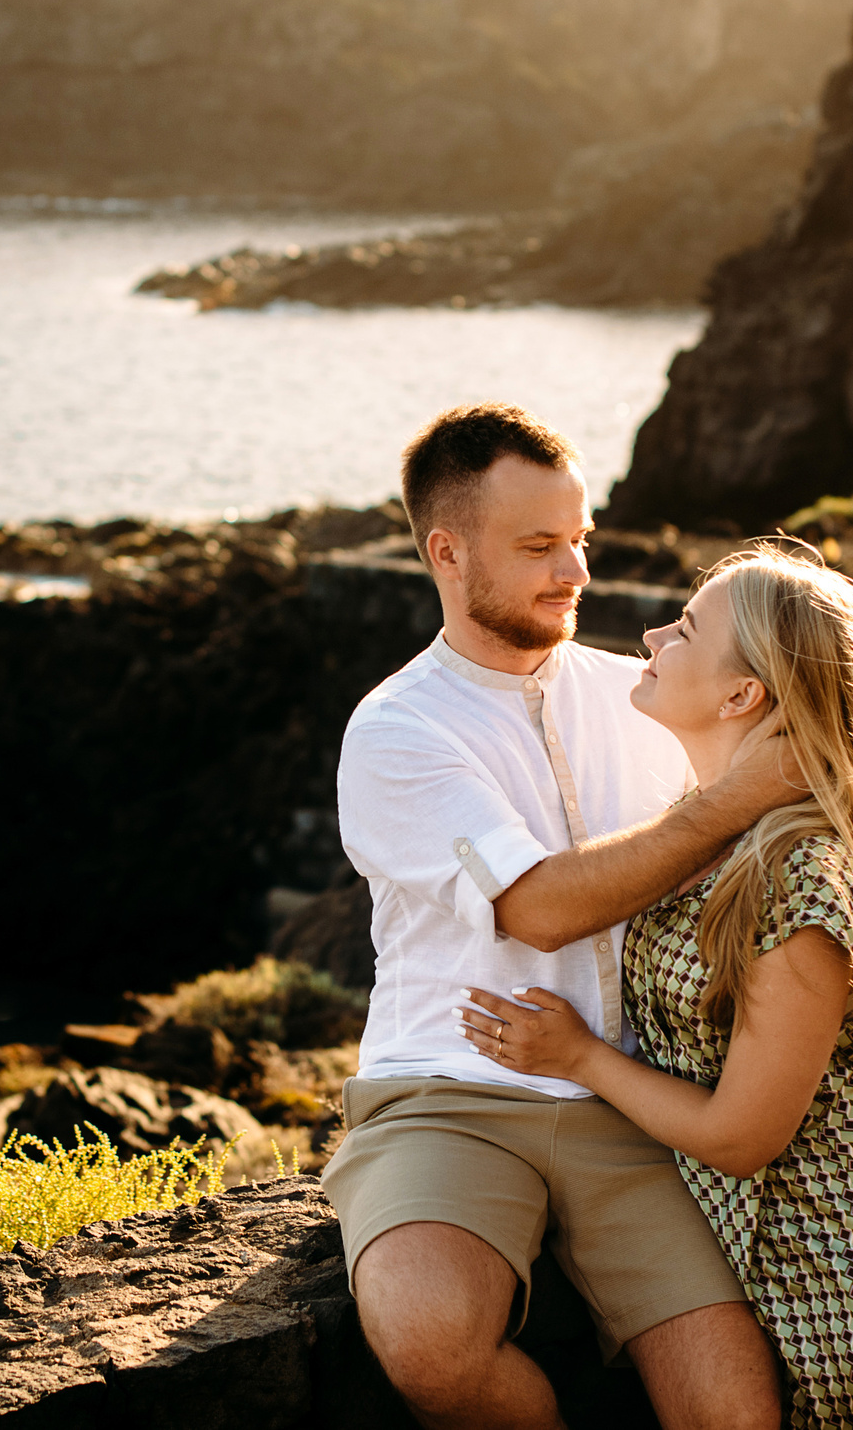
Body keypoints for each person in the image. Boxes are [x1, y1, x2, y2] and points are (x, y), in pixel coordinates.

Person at [324, 402, 822, 1430]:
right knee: (430, 1342)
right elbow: (538, 909)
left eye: (579, 540)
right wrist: (729, 798)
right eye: (540, 546)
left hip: (640, 1097)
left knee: (735, 1415)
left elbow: (791, 866)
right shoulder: (395, 730)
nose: (575, 573)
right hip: (449, 1092)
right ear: (447, 553)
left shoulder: (642, 695)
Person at [459, 546, 853, 1430]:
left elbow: (741, 1136)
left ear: (742, 694)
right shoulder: (706, 824)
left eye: (688, 627)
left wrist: (581, 1056)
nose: (653, 633)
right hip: (777, 1255)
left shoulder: (797, 877)